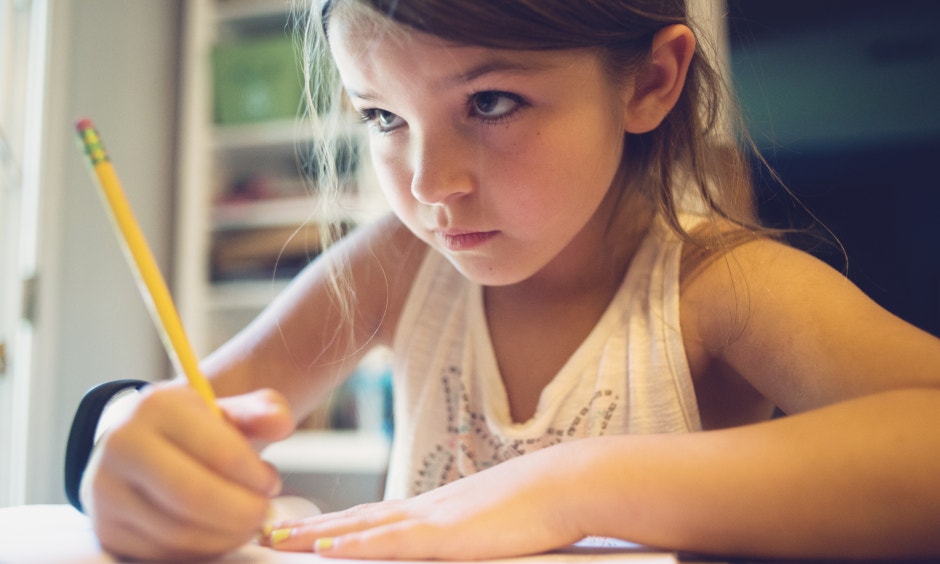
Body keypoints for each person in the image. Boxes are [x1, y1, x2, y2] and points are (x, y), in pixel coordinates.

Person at [75, 0, 940, 561]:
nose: (427, 184)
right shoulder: (397, 261)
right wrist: (121, 441)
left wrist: (574, 486)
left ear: (649, 81)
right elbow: (187, 415)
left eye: (491, 103)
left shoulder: (718, 287)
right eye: (383, 116)